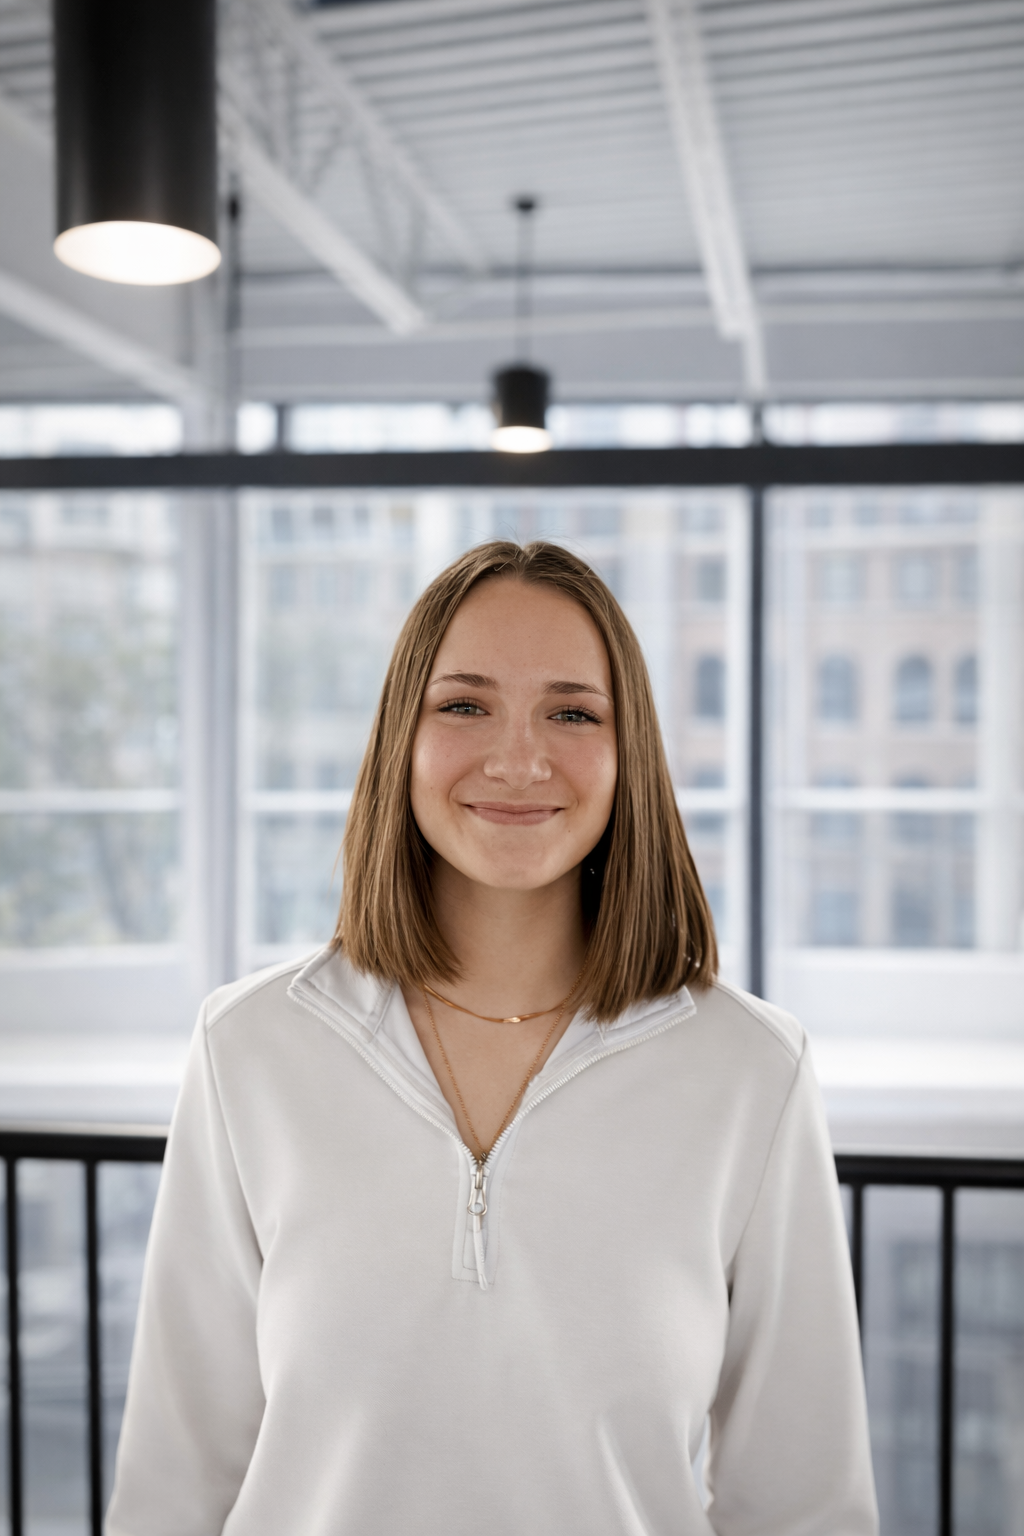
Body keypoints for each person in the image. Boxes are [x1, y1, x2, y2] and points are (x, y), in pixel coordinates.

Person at [107, 540, 877, 1536]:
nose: (518, 759)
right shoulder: (248, 1049)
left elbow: (803, 1505)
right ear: (402, 740)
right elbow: (175, 1484)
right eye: (465, 705)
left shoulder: (751, 1074)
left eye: (572, 712)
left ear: (626, 750)